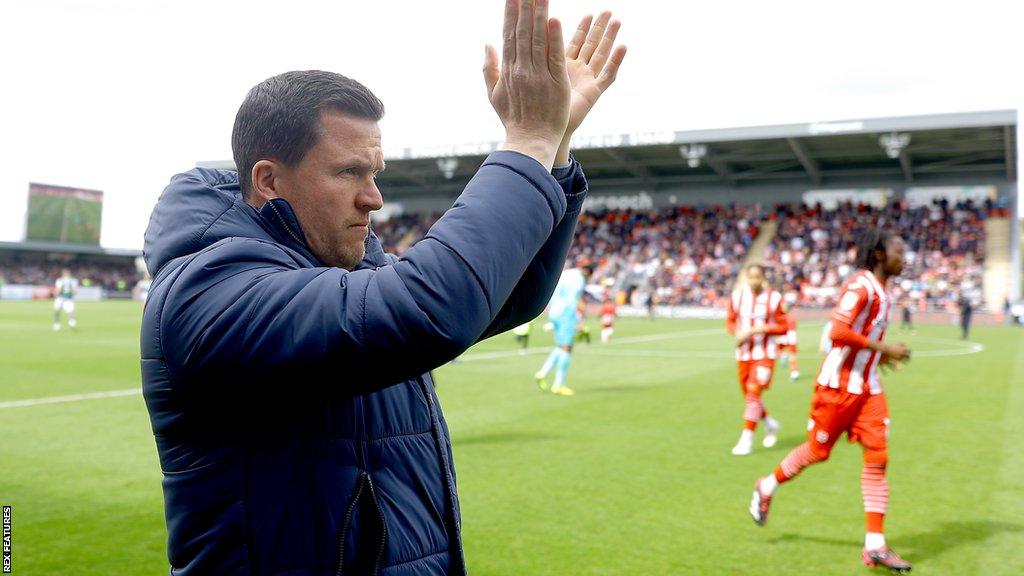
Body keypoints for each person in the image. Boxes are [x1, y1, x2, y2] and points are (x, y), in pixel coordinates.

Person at [139, 2, 627, 574]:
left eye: (376, 175)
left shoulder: (349, 274)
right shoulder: (210, 292)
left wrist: (557, 145)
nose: (373, 197)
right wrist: (527, 145)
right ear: (268, 180)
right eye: (350, 173)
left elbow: (508, 293)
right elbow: (431, 307)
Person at [748, 230, 914, 573]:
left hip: (867, 387)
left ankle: (875, 545)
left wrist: (876, 360)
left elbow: (858, 339)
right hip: (836, 388)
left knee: (878, 456)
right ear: (880, 254)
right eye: (899, 250)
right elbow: (837, 332)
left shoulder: (883, 291)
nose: (905, 257)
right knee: (817, 452)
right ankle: (766, 485)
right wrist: (885, 349)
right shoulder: (861, 285)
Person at [726, 264, 789, 456]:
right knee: (750, 397)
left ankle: (747, 439)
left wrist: (761, 328)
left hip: (765, 354)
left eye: (757, 277)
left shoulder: (774, 298)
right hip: (744, 354)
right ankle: (770, 424)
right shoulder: (737, 297)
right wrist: (736, 332)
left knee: (753, 393)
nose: (753, 281)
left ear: (763, 278)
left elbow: (784, 326)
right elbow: (729, 320)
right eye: (750, 277)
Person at [534, 262, 594, 396]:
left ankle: (542, 373)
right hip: (566, 314)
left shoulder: (567, 274)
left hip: (554, 311)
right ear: (587, 272)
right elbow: (572, 301)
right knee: (567, 347)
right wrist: (578, 321)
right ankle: (558, 384)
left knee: (560, 346)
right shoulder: (578, 281)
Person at [778, 300, 800, 381]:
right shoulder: (786, 317)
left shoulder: (787, 317)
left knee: (792, 356)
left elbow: (790, 329)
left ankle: (794, 373)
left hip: (789, 337)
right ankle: (784, 356)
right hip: (786, 336)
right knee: (778, 349)